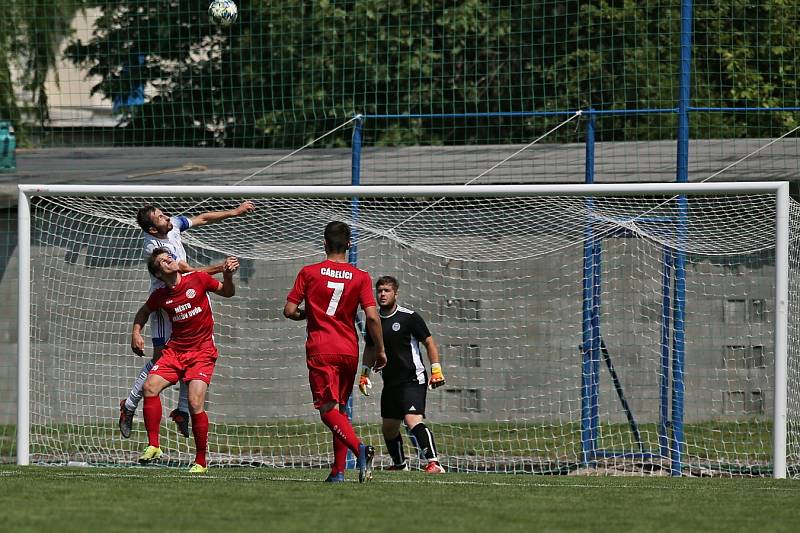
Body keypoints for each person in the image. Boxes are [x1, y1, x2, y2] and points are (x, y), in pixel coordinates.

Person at [119, 201, 254, 442]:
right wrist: (221, 267)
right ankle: (129, 405)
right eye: (160, 217)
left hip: (187, 298)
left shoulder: (171, 226)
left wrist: (234, 212)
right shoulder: (155, 247)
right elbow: (187, 271)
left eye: (164, 213)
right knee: (163, 358)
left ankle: (182, 410)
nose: (166, 217)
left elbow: (202, 218)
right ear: (152, 229)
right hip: (166, 305)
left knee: (193, 351)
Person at [283, 221, 387, 483]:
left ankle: (360, 450)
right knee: (339, 410)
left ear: (324, 244)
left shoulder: (309, 272)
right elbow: (373, 318)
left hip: (321, 348)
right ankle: (338, 471)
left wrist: (310, 314)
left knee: (327, 410)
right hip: (349, 350)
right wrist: (380, 349)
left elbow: (289, 310)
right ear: (350, 245)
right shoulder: (361, 276)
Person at [130, 248, 239, 472]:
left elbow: (228, 293)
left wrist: (227, 276)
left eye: (169, 257)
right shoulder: (160, 295)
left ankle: (200, 461)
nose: (169, 259)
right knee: (150, 387)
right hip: (175, 351)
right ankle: (154, 445)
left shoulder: (198, 278)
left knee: (194, 403)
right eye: (162, 261)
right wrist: (136, 333)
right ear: (159, 274)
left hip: (202, 352)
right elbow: (142, 312)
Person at [359, 275, 446, 474]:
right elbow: (370, 348)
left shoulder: (409, 317)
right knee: (389, 428)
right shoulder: (374, 320)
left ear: (395, 294)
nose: (382, 294)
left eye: (387, 290)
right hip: (390, 382)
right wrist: (364, 374)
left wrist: (436, 369)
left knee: (412, 420)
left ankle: (434, 462)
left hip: (413, 379)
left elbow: (429, 343)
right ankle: (400, 465)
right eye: (379, 290)